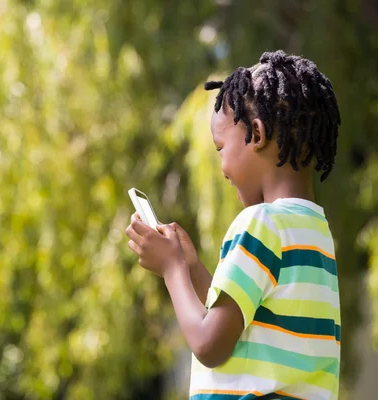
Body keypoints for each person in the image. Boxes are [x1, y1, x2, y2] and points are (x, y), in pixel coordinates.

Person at [126, 50, 341, 400]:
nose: (221, 168)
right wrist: (193, 268)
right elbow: (242, 322)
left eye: (220, 147)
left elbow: (210, 344)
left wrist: (172, 270)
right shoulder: (315, 232)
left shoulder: (260, 223)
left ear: (256, 135)